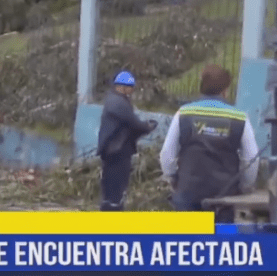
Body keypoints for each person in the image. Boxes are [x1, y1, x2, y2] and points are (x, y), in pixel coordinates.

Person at [160, 64, 259, 223]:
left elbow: (167, 153)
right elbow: (251, 158)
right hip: (224, 196)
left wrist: (172, 178)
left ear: (201, 86)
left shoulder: (184, 113)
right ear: (225, 90)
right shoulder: (239, 118)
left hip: (188, 193)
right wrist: (245, 186)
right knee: (220, 242)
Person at [97, 71, 157, 211]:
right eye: (131, 87)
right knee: (116, 188)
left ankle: (108, 212)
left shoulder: (115, 100)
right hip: (117, 152)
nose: (132, 91)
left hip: (113, 151)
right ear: (124, 87)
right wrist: (147, 127)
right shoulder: (118, 103)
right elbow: (133, 122)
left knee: (110, 187)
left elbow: (130, 124)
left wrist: (144, 127)